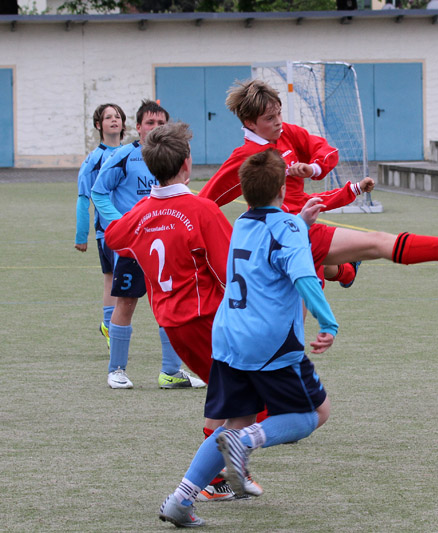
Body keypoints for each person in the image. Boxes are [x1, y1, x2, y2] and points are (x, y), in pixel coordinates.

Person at [158, 148, 338, 528]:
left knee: (234, 423)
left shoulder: (241, 221)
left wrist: (300, 222)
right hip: (269, 343)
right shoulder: (286, 228)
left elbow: (269, 238)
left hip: (229, 338)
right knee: (314, 414)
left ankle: (180, 499)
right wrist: (328, 322)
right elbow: (305, 277)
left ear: (244, 192)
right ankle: (246, 444)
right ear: (283, 188)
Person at [103, 121, 262, 501]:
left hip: (171, 323)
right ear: (187, 163)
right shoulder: (202, 209)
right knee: (260, 400)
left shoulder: (142, 211)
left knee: (225, 394)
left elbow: (114, 237)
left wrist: (149, 217)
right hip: (206, 320)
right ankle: (213, 476)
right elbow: (229, 272)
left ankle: (221, 476)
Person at [199, 79, 438, 280]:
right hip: (287, 236)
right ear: (249, 123)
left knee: (314, 282)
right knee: (376, 242)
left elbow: (328, 152)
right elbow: (203, 204)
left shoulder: (287, 133)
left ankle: (346, 272)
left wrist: (314, 169)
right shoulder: (245, 157)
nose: (278, 122)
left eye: (279, 114)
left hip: (301, 229)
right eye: (269, 119)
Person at [92, 99, 203, 390]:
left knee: (171, 302)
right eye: (150, 123)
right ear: (138, 127)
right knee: (126, 302)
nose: (155, 128)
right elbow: (98, 192)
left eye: (160, 123)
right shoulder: (123, 156)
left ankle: (171, 372)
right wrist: (122, 224)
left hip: (167, 243)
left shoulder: (174, 157)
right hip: (134, 246)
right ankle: (116, 370)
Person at [74, 103, 126, 350]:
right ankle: (110, 327)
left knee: (117, 279)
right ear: (99, 125)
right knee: (113, 279)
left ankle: (109, 325)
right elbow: (83, 197)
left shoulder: (131, 153)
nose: (114, 120)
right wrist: (81, 235)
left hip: (134, 230)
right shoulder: (94, 159)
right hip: (108, 232)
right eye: (108, 117)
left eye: (117, 116)